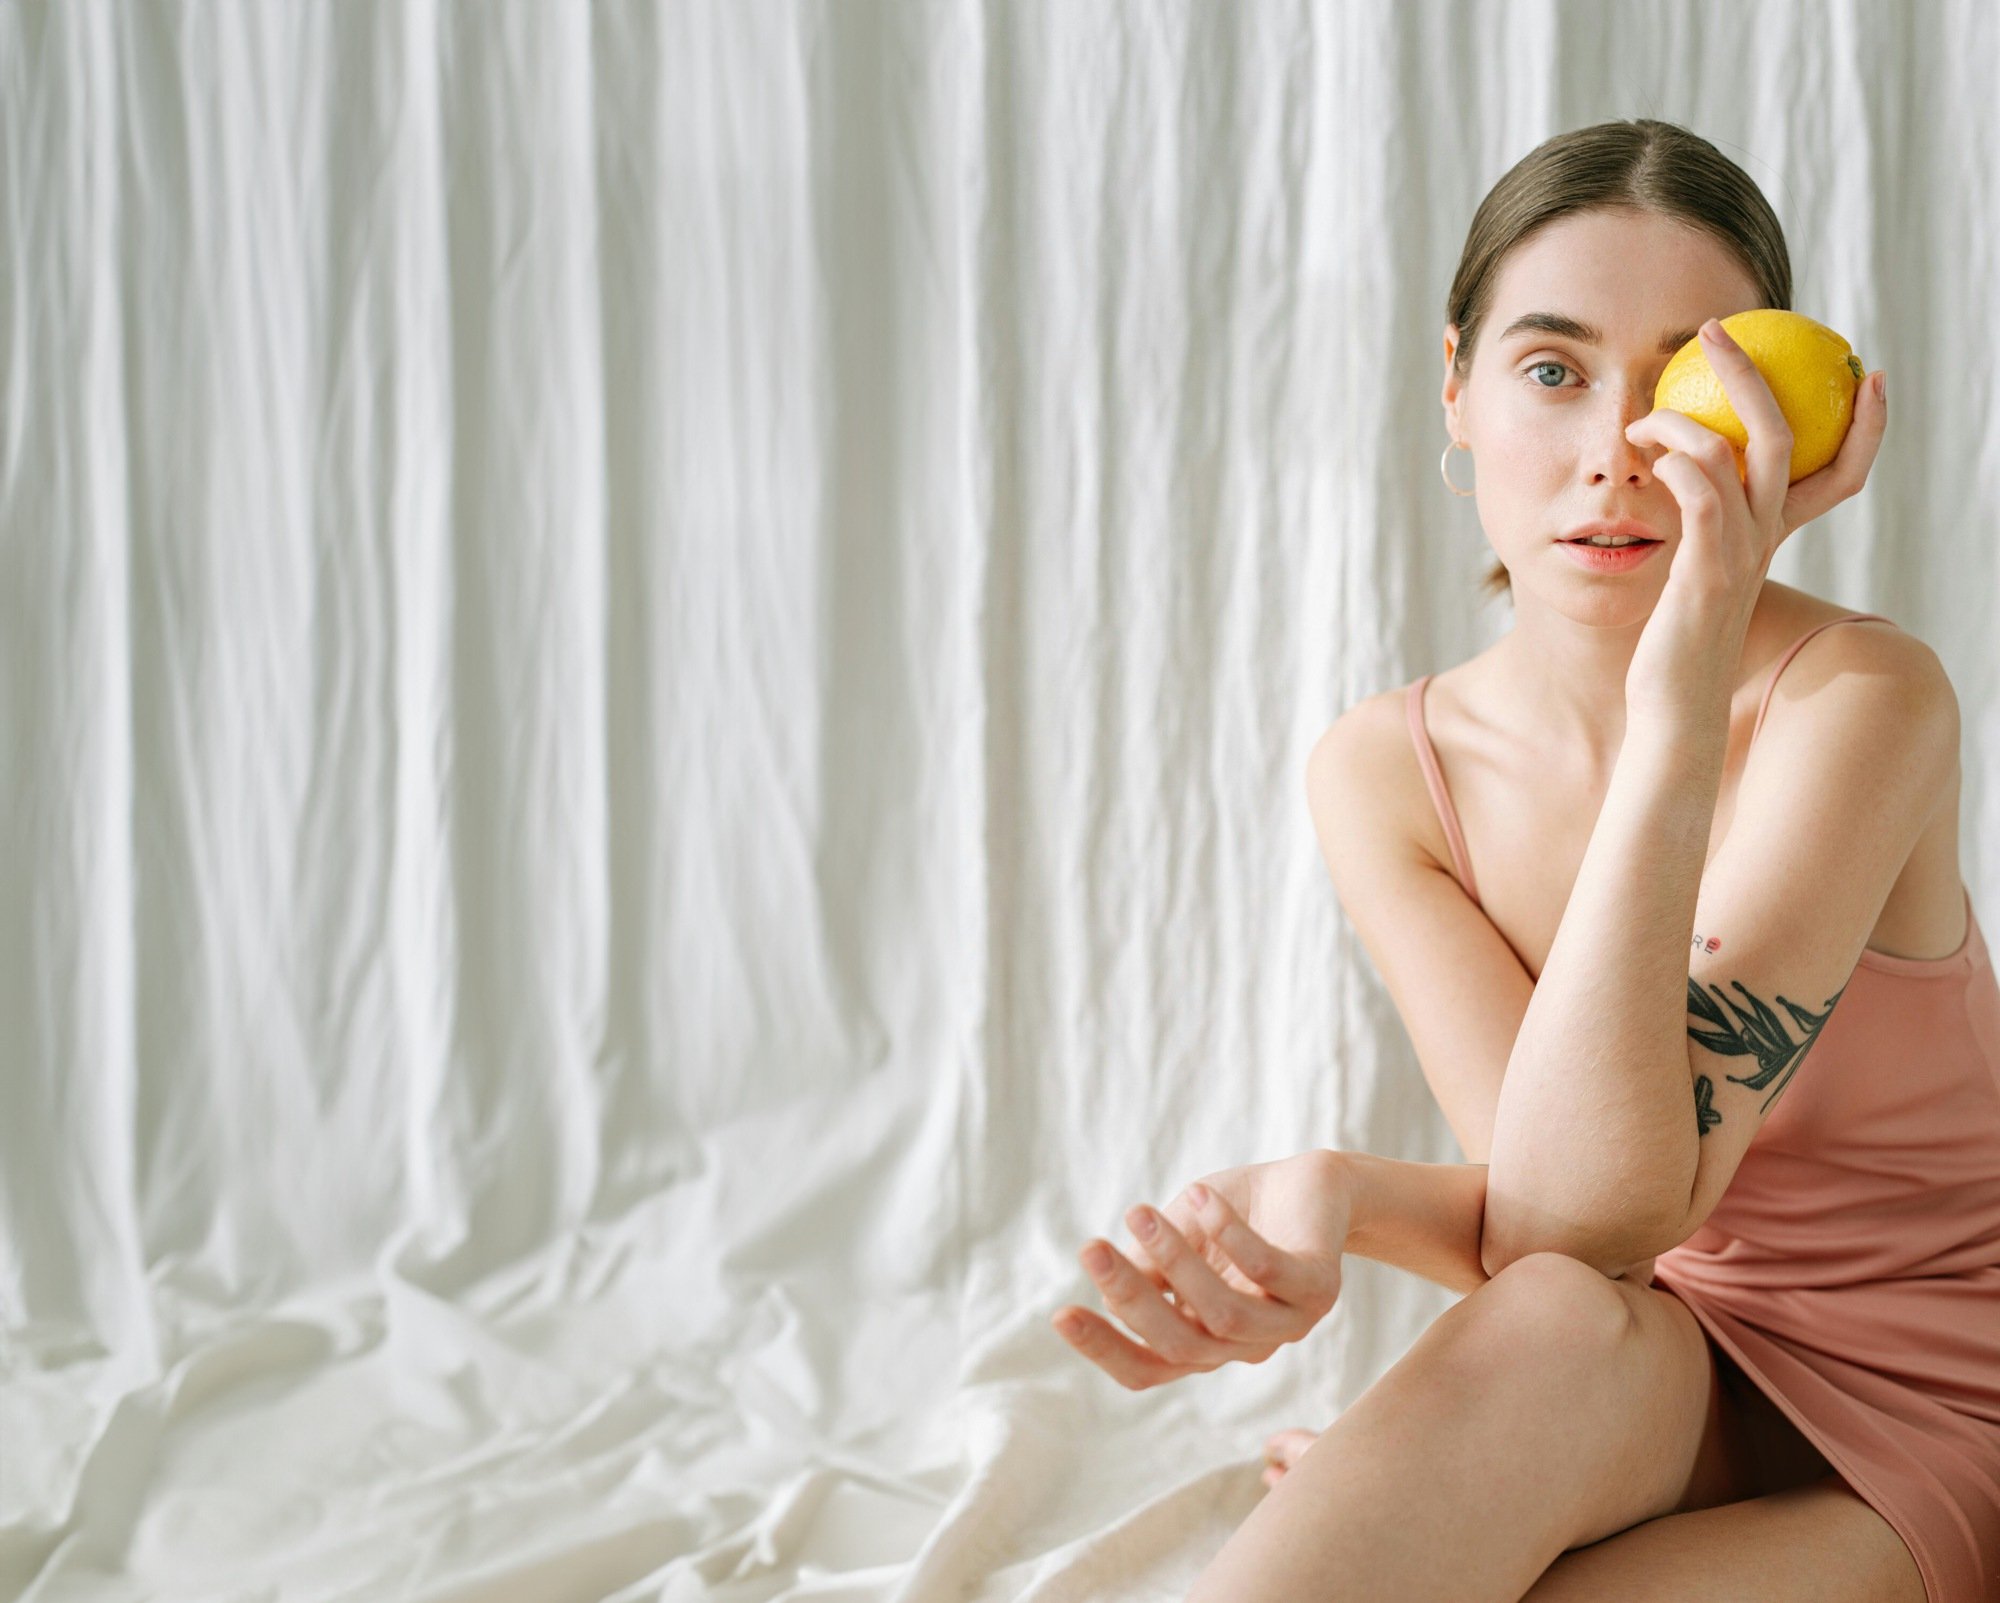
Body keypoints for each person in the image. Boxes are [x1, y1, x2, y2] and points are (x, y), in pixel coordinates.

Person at [1049, 118, 2000, 1600]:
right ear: (1457, 390)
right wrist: (1336, 1199)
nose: (1620, 450)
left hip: (1939, 1411)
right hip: (1656, 1357)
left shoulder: (1860, 702)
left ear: (1780, 419)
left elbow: (1610, 1208)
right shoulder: (1390, 773)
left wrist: (1677, 695)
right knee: (1537, 1336)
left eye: (1688, 380)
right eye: (1552, 371)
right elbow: (1566, 1218)